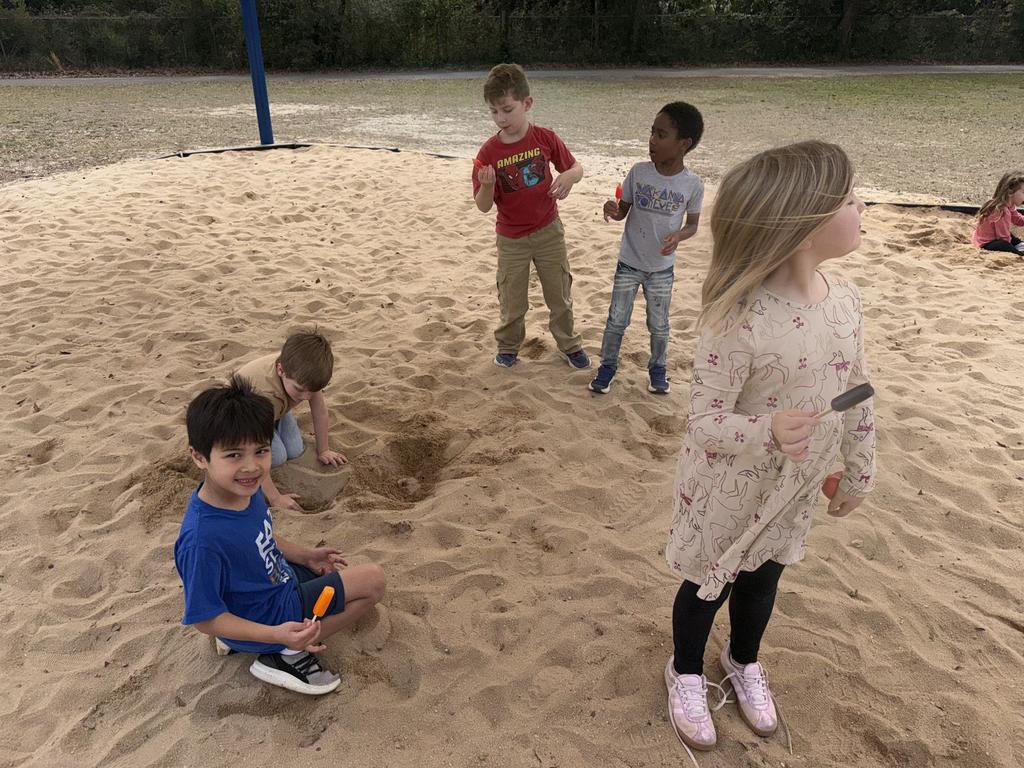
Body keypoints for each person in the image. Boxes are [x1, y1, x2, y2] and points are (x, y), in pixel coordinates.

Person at [662, 141, 877, 754]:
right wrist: (766, 430)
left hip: (795, 488)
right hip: (727, 490)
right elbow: (704, 422)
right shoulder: (737, 318)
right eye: (848, 199)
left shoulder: (846, 302)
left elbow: (858, 389)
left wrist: (858, 470)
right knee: (708, 583)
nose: (861, 207)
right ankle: (685, 670)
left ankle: (743, 658)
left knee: (764, 579)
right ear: (803, 229)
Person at [174, 376, 386, 695]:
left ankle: (262, 639)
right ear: (199, 457)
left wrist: (305, 555)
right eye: (234, 455)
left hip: (275, 583)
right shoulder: (202, 539)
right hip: (268, 617)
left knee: (328, 570)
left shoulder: (242, 492)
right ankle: (287, 652)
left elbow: (261, 537)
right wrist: (277, 635)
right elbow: (204, 619)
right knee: (373, 581)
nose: (252, 467)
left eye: (261, 451)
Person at [472, 63, 590, 371]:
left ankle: (569, 344)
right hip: (511, 238)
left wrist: (570, 177)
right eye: (494, 111)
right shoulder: (488, 153)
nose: (501, 118)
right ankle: (508, 347)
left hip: (549, 231)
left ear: (527, 103)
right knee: (512, 299)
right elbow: (483, 206)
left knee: (559, 294)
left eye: (507, 110)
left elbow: (575, 167)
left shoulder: (545, 138)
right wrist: (487, 186)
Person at [589, 102, 705, 396]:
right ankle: (607, 367)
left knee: (659, 324)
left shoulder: (692, 184)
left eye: (661, 135)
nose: (652, 140)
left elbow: (692, 225)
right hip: (629, 262)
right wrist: (612, 210)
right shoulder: (638, 172)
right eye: (652, 132)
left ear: (684, 144)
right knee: (616, 320)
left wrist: (678, 236)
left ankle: (658, 370)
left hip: (661, 269)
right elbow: (622, 211)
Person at [234, 329, 347, 512]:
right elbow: (253, 450)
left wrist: (323, 450)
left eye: (312, 391)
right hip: (243, 417)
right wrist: (275, 497)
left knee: (295, 450)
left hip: (276, 409)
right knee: (278, 456)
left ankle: (275, 423)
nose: (306, 397)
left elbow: (320, 412)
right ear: (281, 371)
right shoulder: (265, 394)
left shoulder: (306, 374)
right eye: (300, 389)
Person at [972, 172, 1024, 255]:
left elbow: (1018, 219)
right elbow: (1003, 238)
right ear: (1010, 191)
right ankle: (1019, 253)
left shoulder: (1010, 205)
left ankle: (1020, 246)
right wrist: (1013, 248)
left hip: (993, 236)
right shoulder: (1001, 210)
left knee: (1012, 237)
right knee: (1004, 244)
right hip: (987, 243)